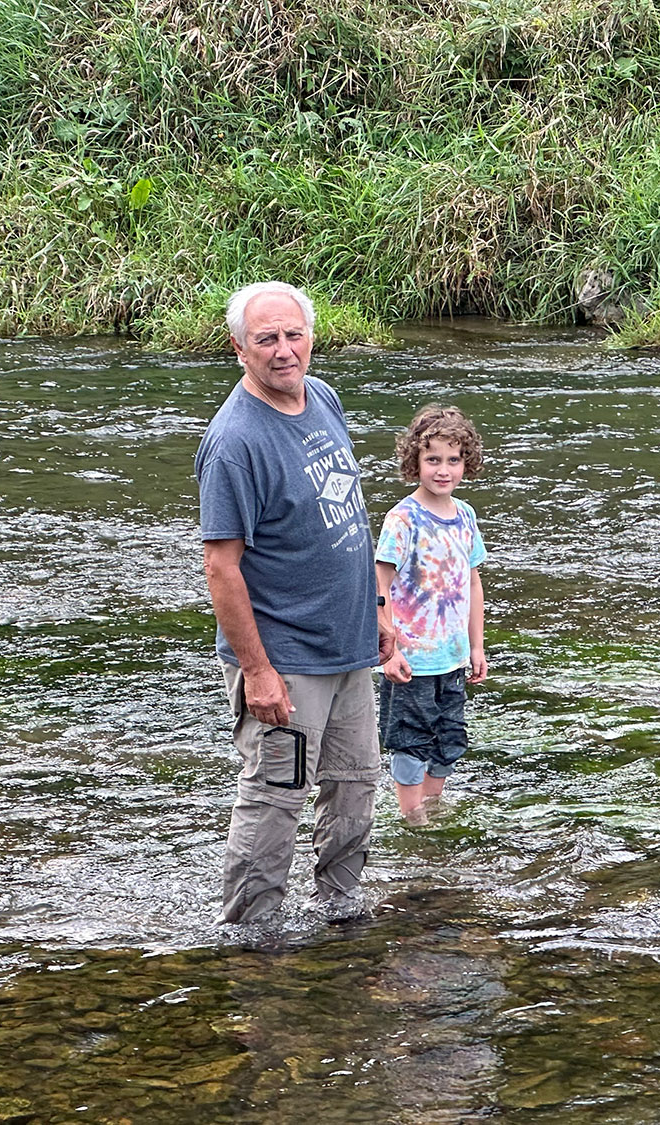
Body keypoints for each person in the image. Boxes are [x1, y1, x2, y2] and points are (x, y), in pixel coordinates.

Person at [196, 280, 405, 923]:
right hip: (284, 657)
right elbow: (221, 567)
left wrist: (375, 608)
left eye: (294, 334)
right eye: (267, 339)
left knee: (354, 786)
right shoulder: (235, 443)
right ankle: (252, 935)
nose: (285, 351)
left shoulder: (324, 398)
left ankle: (341, 913)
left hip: (348, 646)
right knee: (275, 796)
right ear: (240, 349)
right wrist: (257, 671)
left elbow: (350, 516)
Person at [375, 405, 488, 825]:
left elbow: (472, 583)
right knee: (410, 740)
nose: (444, 470)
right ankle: (412, 819)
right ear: (415, 462)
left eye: (453, 460)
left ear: (466, 463)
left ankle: (432, 809)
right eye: (433, 459)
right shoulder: (403, 519)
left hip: (453, 656)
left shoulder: (465, 516)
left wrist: (476, 646)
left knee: (448, 739)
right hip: (412, 658)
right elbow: (379, 584)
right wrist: (389, 651)